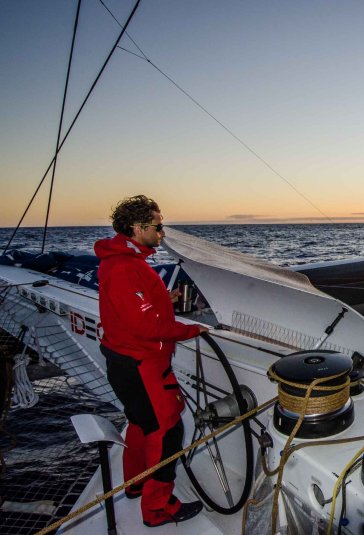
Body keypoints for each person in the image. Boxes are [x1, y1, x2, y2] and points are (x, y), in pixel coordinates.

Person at [94, 195, 208, 527]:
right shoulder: (125, 267)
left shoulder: (122, 260)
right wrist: (190, 330)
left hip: (124, 360)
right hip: (142, 364)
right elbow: (143, 326)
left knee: (141, 423)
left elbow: (134, 307)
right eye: (158, 227)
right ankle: (158, 508)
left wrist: (164, 299)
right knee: (167, 430)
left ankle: (136, 483)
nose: (162, 233)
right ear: (137, 227)